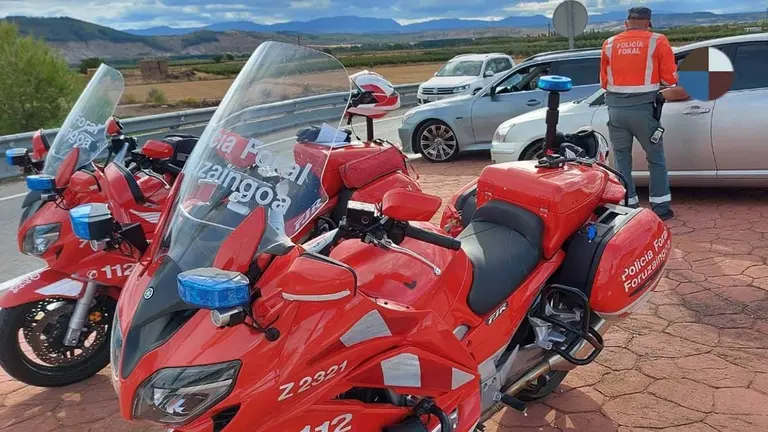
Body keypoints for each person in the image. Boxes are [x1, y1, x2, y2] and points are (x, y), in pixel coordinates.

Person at [600, 6, 680, 221]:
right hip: (644, 110)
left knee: (621, 159)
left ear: (627, 22)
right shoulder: (658, 40)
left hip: (615, 111)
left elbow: (604, 82)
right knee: (655, 158)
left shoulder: (609, 43)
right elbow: (670, 80)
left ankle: (628, 207)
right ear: (648, 22)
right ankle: (661, 207)